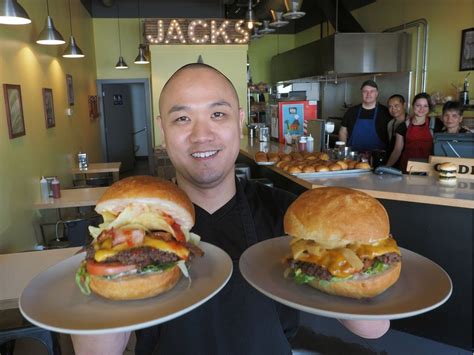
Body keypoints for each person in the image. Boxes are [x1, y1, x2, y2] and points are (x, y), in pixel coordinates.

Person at [71, 64, 390, 355]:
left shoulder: (291, 217)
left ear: (239, 121)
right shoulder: (120, 226)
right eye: (182, 118)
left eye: (218, 114)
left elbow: (373, 329)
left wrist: (349, 243)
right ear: (162, 130)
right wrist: (119, 263)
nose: (201, 135)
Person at [386, 93, 434, 173]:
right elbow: (397, 150)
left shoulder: (435, 124)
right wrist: (386, 167)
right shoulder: (403, 126)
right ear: (413, 106)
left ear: (429, 108)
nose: (421, 109)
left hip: (429, 169)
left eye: (425, 106)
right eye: (418, 105)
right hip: (407, 168)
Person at [338, 80, 391, 152]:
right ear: (361, 93)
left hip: (377, 158)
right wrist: (343, 150)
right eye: (365, 91)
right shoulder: (351, 111)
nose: (368, 94)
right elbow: (343, 132)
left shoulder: (386, 112)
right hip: (353, 157)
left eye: (372, 91)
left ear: (377, 93)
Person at [386, 94, 407, 169]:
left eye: (396, 105)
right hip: (393, 162)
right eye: (390, 107)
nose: (393, 109)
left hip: (406, 162)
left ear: (404, 105)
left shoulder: (410, 122)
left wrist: (386, 167)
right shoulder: (390, 124)